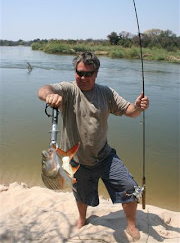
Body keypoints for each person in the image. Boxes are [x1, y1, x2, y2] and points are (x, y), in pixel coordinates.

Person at [38, 52, 149, 241]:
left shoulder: (106, 93)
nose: (82, 77)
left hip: (104, 156)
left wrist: (138, 106)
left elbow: (130, 111)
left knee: (129, 187)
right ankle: (82, 219)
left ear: (96, 74)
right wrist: (49, 95)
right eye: (79, 73)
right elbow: (44, 89)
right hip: (76, 160)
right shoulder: (68, 90)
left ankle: (131, 225)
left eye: (88, 74)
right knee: (80, 195)